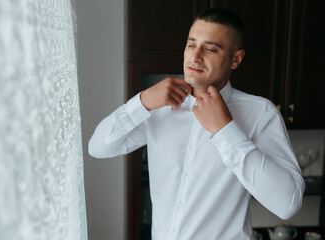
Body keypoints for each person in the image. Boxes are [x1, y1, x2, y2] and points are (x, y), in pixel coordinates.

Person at [89, 8, 304, 240]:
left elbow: (288, 204)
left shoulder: (261, 113)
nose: (196, 56)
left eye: (210, 48)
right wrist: (141, 102)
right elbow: (98, 148)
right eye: (191, 45)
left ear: (236, 59)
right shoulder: (158, 106)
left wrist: (225, 130)